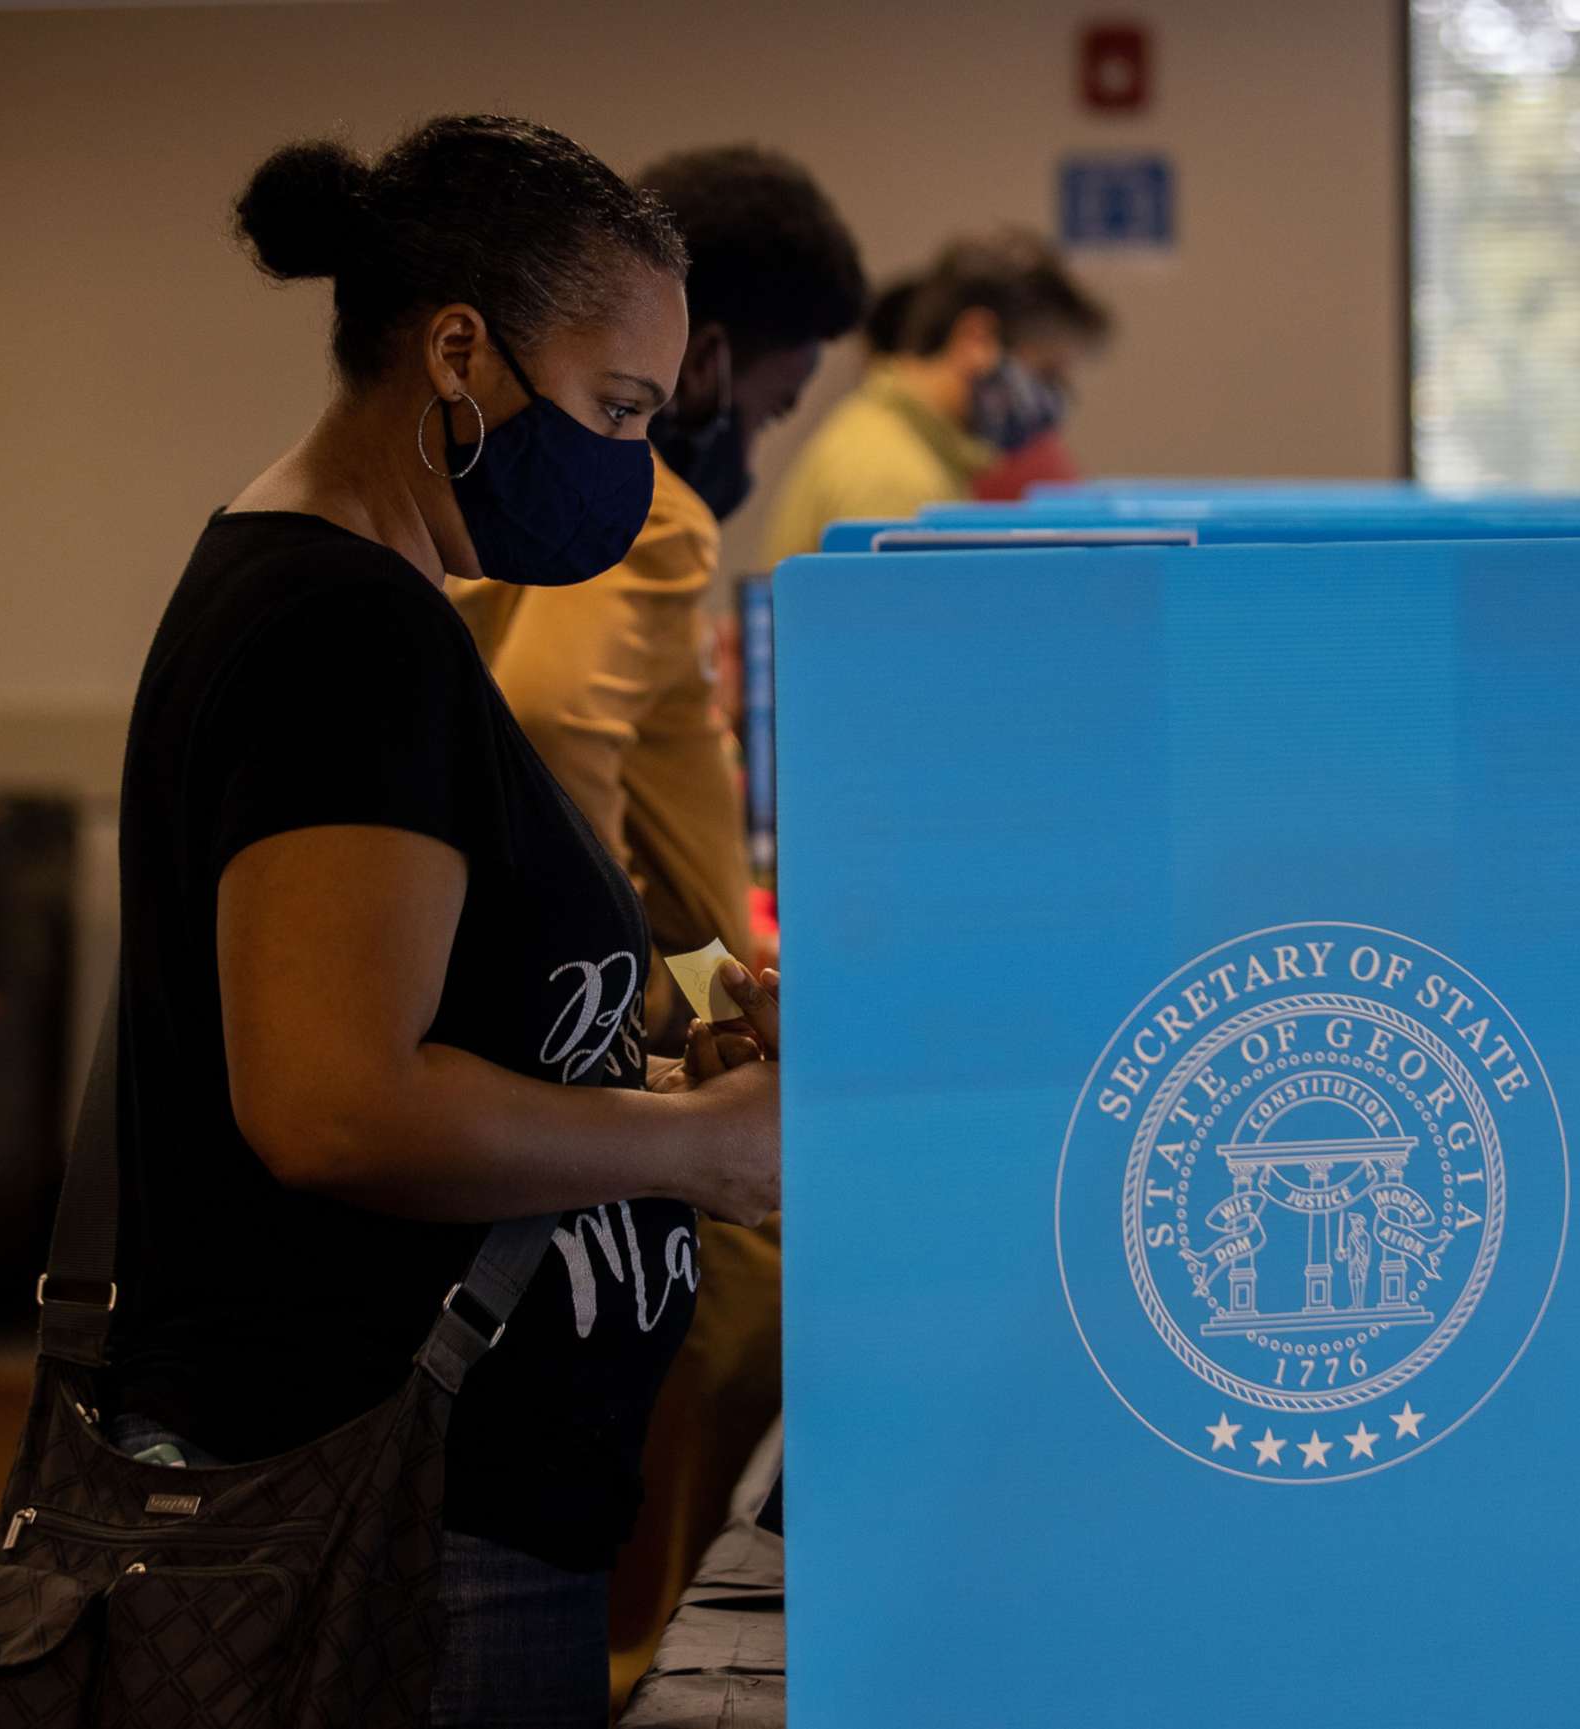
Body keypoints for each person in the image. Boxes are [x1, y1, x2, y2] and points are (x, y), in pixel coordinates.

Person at [106, 115, 779, 1726]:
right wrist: (695, 1150)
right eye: (617, 408)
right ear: (460, 352)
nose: (633, 460)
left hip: (454, 1508)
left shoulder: (376, 607)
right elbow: (337, 1103)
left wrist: (675, 1025)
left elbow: (479, 982)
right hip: (402, 1529)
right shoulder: (343, 634)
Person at [443, 143, 865, 1709]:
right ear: (703, 360)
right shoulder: (655, 511)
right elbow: (555, 732)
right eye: (769, 402)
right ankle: (652, 1663)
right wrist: (649, 998)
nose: (757, 440)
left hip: (612, 1008)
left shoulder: (536, 505)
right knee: (737, 1290)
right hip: (609, 1048)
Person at [760, 228, 1110, 563]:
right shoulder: (895, 477)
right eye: (1046, 372)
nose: (1053, 400)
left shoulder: (902, 438)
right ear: (977, 337)